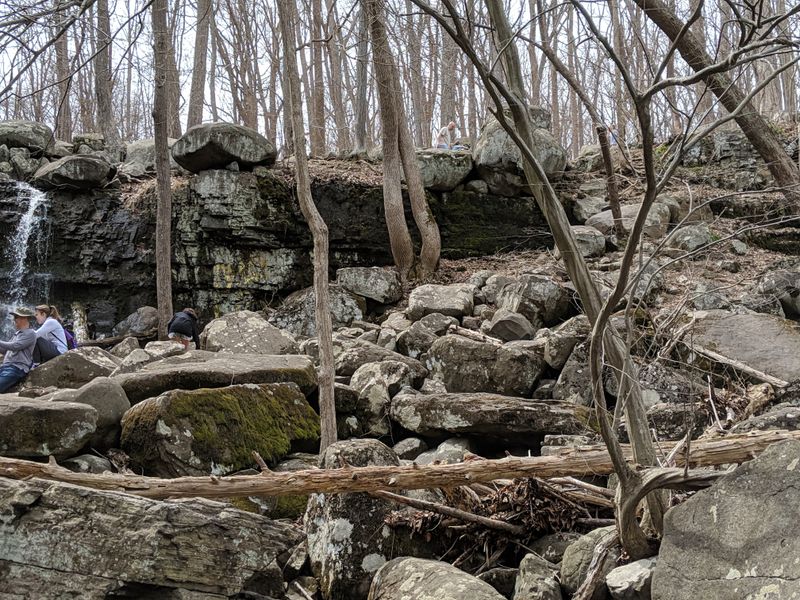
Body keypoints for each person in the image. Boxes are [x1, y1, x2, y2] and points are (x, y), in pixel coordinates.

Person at [0, 307, 37, 392]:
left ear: (24, 318)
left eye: (16, 317)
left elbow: (15, 346)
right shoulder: (17, 334)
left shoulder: (30, 333)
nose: (14, 319)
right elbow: (6, 350)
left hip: (16, 368)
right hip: (5, 367)